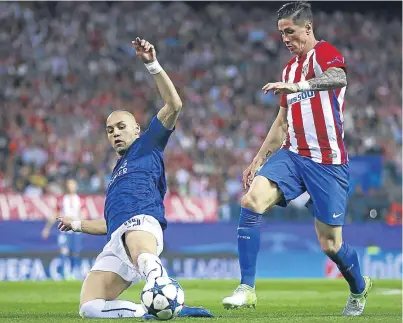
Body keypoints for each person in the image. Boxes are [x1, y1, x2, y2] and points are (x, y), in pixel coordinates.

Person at [222, 2, 372, 316]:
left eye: (290, 32)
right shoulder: (288, 70)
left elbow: (338, 78)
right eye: (281, 34)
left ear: (307, 28)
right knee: (251, 202)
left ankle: (359, 287)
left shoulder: (324, 53)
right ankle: (246, 288)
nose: (285, 39)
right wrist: (257, 160)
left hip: (327, 163)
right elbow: (281, 123)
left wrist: (300, 86)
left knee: (330, 245)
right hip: (292, 155)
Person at [58, 37, 212, 319]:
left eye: (120, 127)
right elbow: (111, 223)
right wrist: (76, 224)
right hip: (118, 239)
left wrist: (152, 64)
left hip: (143, 225)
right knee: (89, 308)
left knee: (141, 252)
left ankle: (163, 287)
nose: (114, 133)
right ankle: (152, 310)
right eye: (109, 130)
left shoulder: (148, 144)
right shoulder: (117, 174)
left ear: (137, 129)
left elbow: (174, 104)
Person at [42, 179, 83, 279]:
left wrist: (85, 227)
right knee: (64, 250)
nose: (71, 186)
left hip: (76, 230)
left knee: (75, 252)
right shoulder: (62, 199)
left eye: (73, 184)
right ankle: (65, 273)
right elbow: (55, 214)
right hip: (64, 229)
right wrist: (47, 228)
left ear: (76, 186)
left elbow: (83, 215)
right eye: (69, 184)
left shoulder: (80, 200)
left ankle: (74, 273)